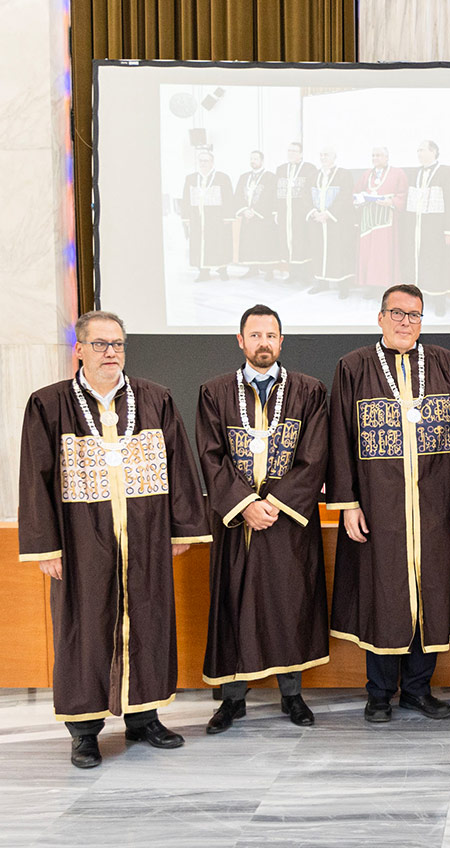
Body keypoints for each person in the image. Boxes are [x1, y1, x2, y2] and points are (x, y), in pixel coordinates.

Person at [18, 310, 210, 768]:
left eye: (118, 344)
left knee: (148, 620)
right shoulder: (49, 404)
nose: (111, 353)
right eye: (101, 344)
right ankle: (84, 731)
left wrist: (181, 528)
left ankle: (144, 718)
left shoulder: (155, 398)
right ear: (79, 350)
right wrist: (47, 547)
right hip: (83, 540)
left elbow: (180, 464)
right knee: (84, 629)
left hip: (145, 536)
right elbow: (34, 478)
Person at [327, 284, 450, 723]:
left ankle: (418, 688)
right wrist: (349, 503)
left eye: (414, 315)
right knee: (382, 593)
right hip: (378, 506)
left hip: (436, 504)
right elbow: (339, 435)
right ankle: (378, 693)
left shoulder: (445, 364)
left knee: (431, 592)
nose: (405, 322)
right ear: (380, 318)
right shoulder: (353, 367)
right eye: (397, 313)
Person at [195, 304, 330, 733]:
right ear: (240, 340)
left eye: (271, 335)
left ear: (281, 341)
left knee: (290, 603)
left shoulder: (309, 391)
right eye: (255, 335)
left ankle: (292, 695)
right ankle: (232, 701)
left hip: (287, 521)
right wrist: (245, 505)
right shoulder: (214, 392)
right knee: (233, 602)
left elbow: (314, 457)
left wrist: (272, 504)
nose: (263, 343)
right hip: (236, 522)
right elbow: (210, 456)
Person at [404, 140, 450, 316]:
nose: (419, 154)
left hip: (436, 228)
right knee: (419, 263)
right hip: (417, 228)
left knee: (436, 263)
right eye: (417, 150)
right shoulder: (415, 173)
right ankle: (418, 301)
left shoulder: (446, 173)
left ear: (433, 151)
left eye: (422, 150)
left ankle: (440, 301)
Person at [354, 146, 408, 292]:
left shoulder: (397, 173)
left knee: (383, 254)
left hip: (386, 221)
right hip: (368, 220)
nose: (375, 158)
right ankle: (370, 287)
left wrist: (391, 202)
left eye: (378, 155)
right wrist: (360, 198)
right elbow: (357, 192)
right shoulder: (367, 174)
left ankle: (386, 287)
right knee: (368, 253)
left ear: (387, 157)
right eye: (373, 156)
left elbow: (403, 194)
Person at [306, 146, 356, 296]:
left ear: (334, 157)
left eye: (326, 155)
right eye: (321, 155)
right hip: (317, 221)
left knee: (339, 252)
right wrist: (314, 212)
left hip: (337, 222)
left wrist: (329, 213)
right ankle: (322, 282)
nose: (323, 158)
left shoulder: (344, 174)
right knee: (319, 250)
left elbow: (345, 196)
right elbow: (305, 195)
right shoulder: (313, 175)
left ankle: (343, 286)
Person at [180, 147, 233, 280]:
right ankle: (203, 271)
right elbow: (186, 199)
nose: (203, 163)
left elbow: (228, 198)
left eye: (206, 161)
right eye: (201, 161)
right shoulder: (191, 178)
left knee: (218, 243)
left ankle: (222, 269)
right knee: (199, 244)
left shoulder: (222, 177)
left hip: (217, 218)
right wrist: (186, 217)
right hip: (197, 218)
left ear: (212, 162)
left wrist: (228, 216)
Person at [275, 141, 317, 284]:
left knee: (302, 242)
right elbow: (276, 192)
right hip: (285, 213)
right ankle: (293, 273)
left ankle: (305, 275)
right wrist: (276, 212)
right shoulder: (281, 169)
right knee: (288, 243)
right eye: (289, 151)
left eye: (294, 151)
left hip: (301, 213)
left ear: (301, 154)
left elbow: (312, 191)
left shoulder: (309, 169)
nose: (291, 154)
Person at [232, 150, 279, 276]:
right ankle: (253, 270)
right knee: (249, 244)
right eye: (251, 159)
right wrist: (244, 210)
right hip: (248, 217)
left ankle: (269, 271)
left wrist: (255, 211)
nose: (253, 161)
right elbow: (238, 196)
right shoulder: (244, 177)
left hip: (263, 217)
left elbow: (270, 197)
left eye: (256, 159)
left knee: (265, 244)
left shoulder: (271, 177)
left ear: (262, 161)